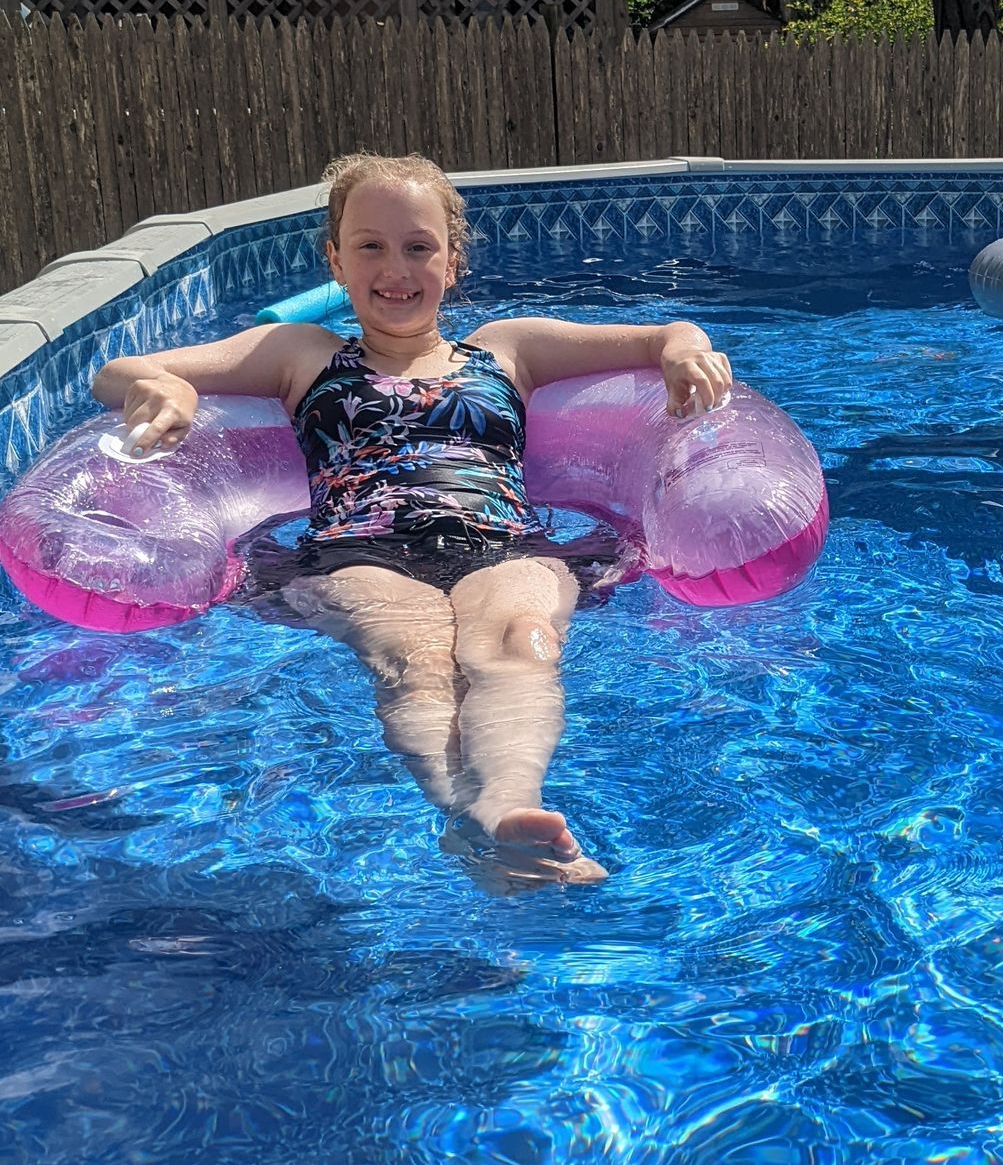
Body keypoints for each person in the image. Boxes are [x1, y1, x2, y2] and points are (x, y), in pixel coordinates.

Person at [92, 152, 734, 887]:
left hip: (501, 542)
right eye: (370, 246)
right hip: (358, 552)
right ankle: (475, 823)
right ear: (336, 260)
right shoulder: (301, 353)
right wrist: (161, 388)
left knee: (522, 642)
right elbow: (113, 370)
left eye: (418, 246)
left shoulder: (507, 348)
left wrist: (686, 349)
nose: (395, 267)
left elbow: (663, 334)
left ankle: (506, 808)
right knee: (418, 658)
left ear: (453, 261)